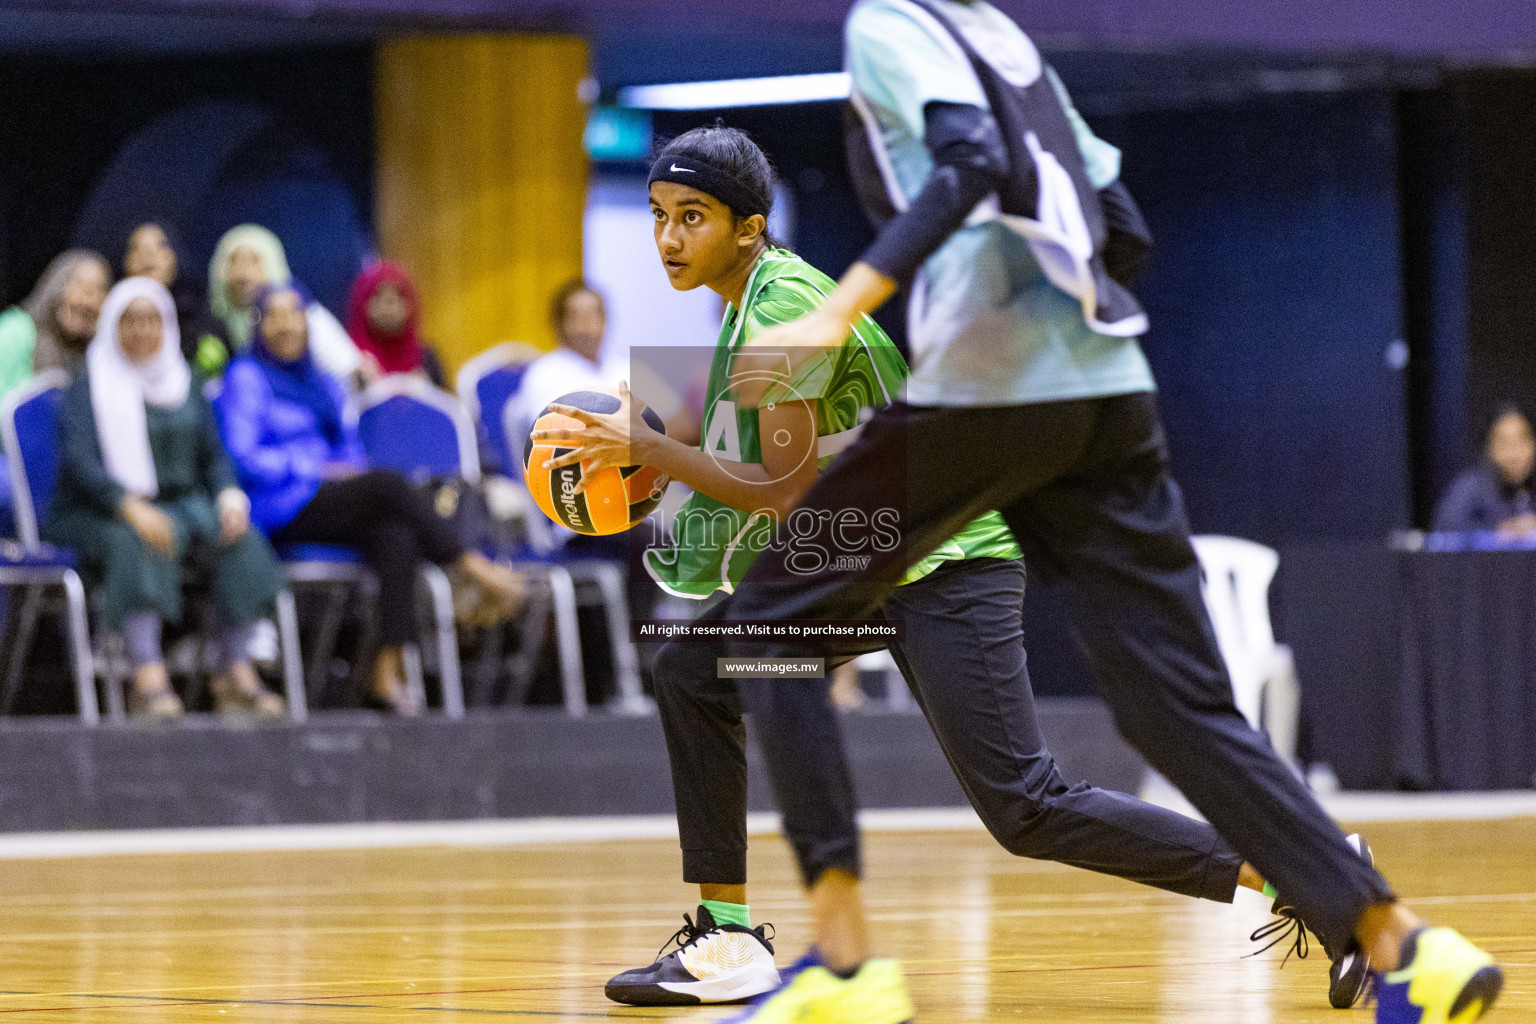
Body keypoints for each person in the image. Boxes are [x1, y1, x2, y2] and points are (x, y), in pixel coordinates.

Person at [688, 3, 1502, 1022]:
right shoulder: (1009, 43)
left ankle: (847, 966)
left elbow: (969, 159)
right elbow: (1123, 230)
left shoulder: (892, 25)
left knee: (764, 623)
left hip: (983, 396)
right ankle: (1405, 946)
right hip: (1109, 390)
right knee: (1178, 704)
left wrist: (838, 309)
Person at [534, 125, 1350, 1011]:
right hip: (878, 562)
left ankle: (1312, 874)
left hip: (947, 565)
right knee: (695, 671)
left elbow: (784, 489)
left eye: (692, 217)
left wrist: (650, 446)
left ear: (749, 227)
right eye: (658, 216)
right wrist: (654, 455)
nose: (667, 238)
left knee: (1026, 806)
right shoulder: (743, 311)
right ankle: (726, 938)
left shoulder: (776, 310)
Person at [214, 283, 525, 715]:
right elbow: (240, 455)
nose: (286, 324)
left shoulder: (321, 382)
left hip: (328, 499)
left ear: (309, 322)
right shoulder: (245, 376)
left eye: (295, 314)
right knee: (388, 486)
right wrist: (313, 468)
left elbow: (349, 451)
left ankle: (385, 666)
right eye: (274, 315)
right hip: (278, 504)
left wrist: (342, 471)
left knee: (396, 533)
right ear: (259, 325)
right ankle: (468, 564)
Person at [45, 277, 286, 722]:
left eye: (152, 319)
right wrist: (131, 506)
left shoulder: (185, 380)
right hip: (96, 511)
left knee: (239, 537)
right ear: (113, 325)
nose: (141, 330)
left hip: (180, 505)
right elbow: (80, 465)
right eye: (130, 320)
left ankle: (234, 671)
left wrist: (230, 498)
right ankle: (148, 679)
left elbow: (213, 456)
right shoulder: (89, 384)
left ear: (168, 324)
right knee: (142, 537)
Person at [202, 224, 360, 383]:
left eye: (254, 261)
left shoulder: (301, 316)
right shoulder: (213, 325)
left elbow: (351, 372)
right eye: (234, 262)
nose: (244, 274)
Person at [0, 249, 112, 397]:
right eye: (80, 286)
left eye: (99, 290)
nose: (88, 301)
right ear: (55, 287)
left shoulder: (94, 352)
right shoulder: (16, 330)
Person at [1432, 402, 1536, 538]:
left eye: (1522, 440)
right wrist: (1498, 533)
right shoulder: (1472, 486)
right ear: (1490, 448)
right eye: (1504, 443)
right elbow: (1444, 529)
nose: (1515, 453)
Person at [346, 260, 445, 388]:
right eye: (377, 296)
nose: (387, 307)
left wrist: (424, 392)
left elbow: (448, 404)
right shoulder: (350, 361)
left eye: (396, 297)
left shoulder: (426, 360)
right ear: (361, 305)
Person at [120, 221, 203, 362]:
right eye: (137, 248)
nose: (148, 255)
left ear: (174, 258)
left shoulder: (199, 317)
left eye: (160, 246)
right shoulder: (110, 314)